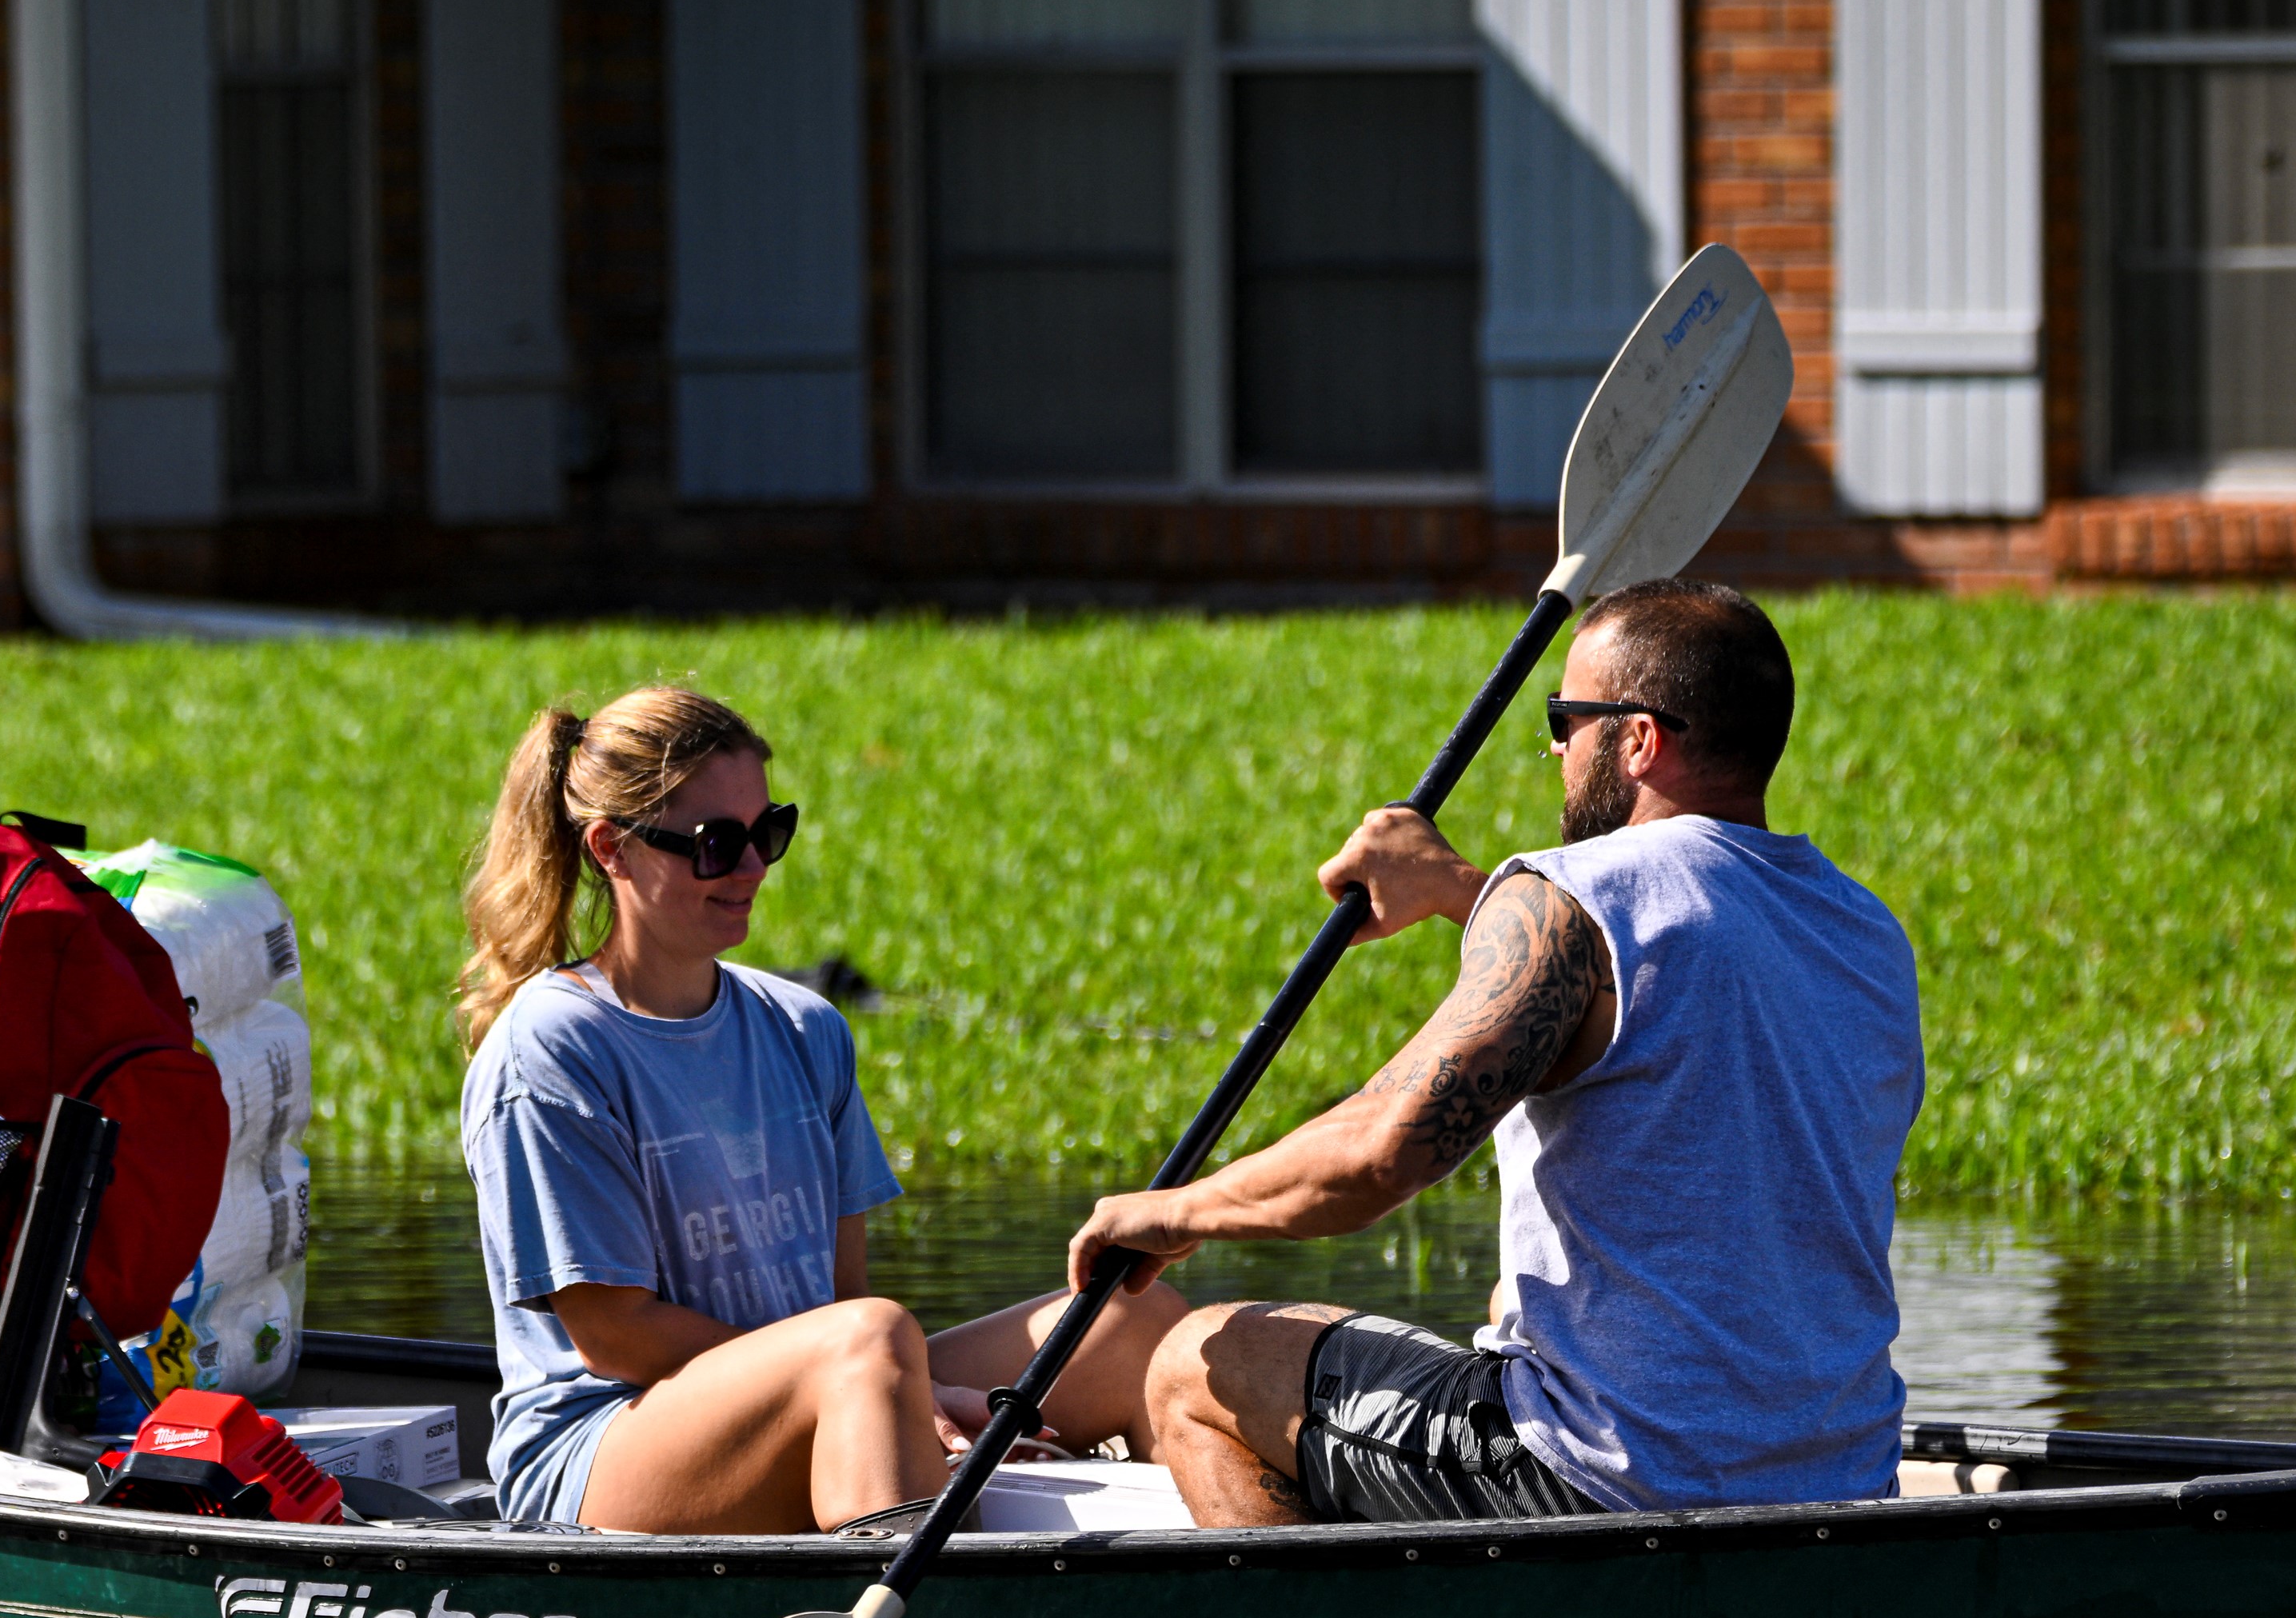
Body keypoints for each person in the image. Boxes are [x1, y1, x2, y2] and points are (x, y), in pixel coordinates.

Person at [1066, 578, 1923, 1528]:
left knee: (1197, 1360)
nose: (1555, 748)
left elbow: (1378, 1156)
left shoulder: (1564, 894)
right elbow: (1659, 969)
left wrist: (1174, 1211)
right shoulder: (1860, 930)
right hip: (1840, 1478)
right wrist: (1456, 889)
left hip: (1607, 1475)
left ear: (1638, 739)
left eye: (1565, 718)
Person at [458, 685, 1183, 1535]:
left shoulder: (805, 1029)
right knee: (869, 1342)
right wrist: (893, 1387)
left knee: (1132, 1320)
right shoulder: (549, 1049)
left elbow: (840, 1297)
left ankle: (1207, 1597)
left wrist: (896, 1388)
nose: (752, 868)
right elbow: (615, 1336)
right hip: (600, 1449)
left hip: (829, 1377)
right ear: (612, 849)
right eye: (715, 844)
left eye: (768, 833)